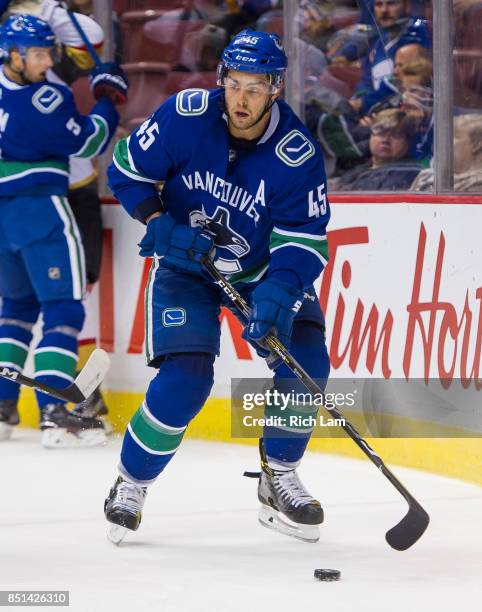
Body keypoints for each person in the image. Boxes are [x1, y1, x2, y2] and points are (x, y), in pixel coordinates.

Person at [105, 30, 331, 544]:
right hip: (189, 270)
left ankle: (279, 477)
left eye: (257, 87)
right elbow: (126, 172)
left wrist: (278, 292)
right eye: (235, 85)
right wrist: (158, 220)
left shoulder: (296, 154)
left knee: (308, 362)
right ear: (221, 80)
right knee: (186, 380)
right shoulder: (185, 116)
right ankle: (132, 482)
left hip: (259, 274)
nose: (243, 99)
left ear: (276, 88)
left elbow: (305, 242)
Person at [0, 15, 126, 446]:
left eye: (48, 52)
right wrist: (108, 97)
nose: (46, 61)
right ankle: (55, 412)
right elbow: (89, 142)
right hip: (42, 211)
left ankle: (2, 408)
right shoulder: (46, 98)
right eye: (37, 53)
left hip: (3, 218)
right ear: (13, 55)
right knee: (63, 311)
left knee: (16, 311)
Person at [329, 108, 422, 190]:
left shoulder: (407, 172)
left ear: (408, 142)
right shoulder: (358, 169)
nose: (386, 140)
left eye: (396, 135)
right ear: (371, 135)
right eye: (380, 132)